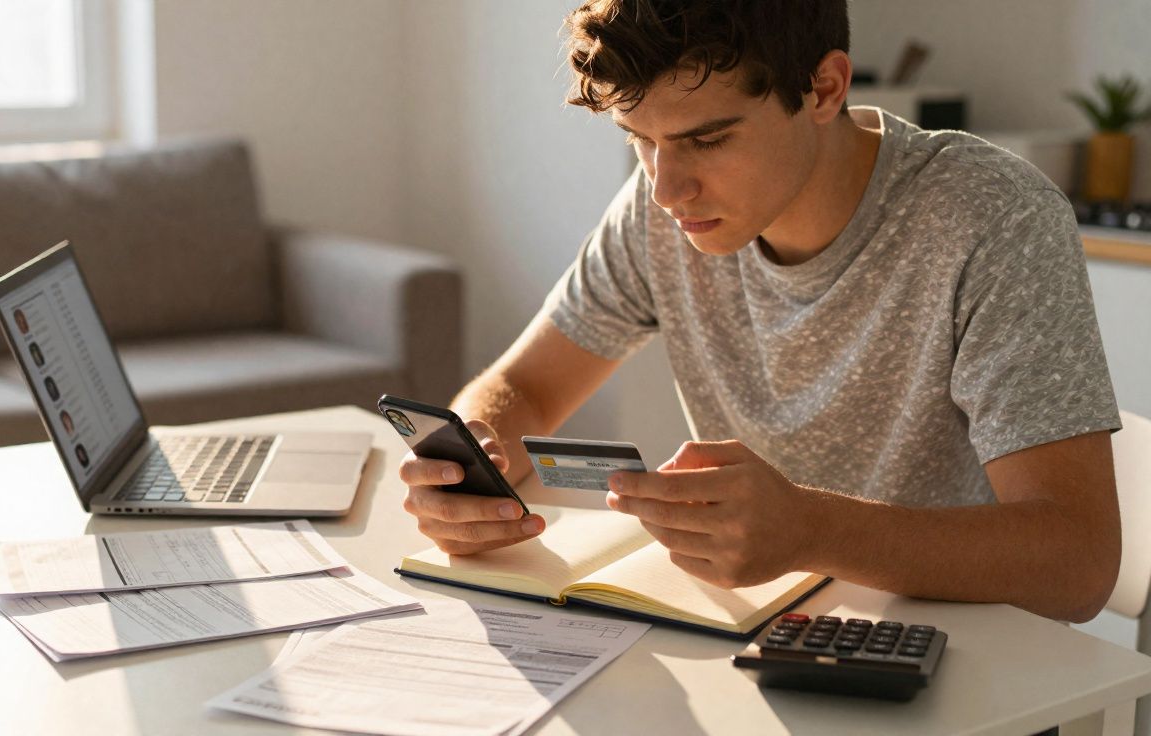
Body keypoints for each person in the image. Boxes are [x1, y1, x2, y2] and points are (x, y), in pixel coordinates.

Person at [398, 0, 1122, 623]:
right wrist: (470, 467)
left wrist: (810, 529)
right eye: (640, 141)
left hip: (960, 668)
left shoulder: (993, 220)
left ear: (825, 88)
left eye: (706, 140)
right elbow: (527, 389)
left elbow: (1077, 562)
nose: (666, 190)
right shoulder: (660, 218)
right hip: (758, 640)